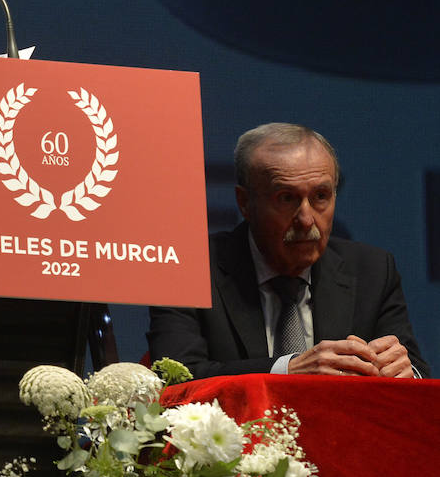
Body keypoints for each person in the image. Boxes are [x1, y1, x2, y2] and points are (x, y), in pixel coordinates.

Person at [148, 122, 429, 379]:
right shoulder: (189, 268)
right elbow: (176, 377)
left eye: (321, 196)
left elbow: (418, 375)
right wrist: (288, 369)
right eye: (286, 198)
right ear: (245, 203)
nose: (306, 219)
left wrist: (405, 372)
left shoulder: (373, 270)